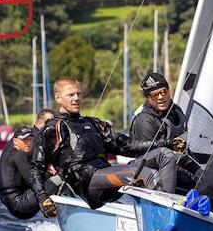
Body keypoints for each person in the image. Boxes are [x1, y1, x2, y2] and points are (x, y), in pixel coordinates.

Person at [30, 77, 181, 210]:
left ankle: (169, 211)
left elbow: (128, 146)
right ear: (58, 98)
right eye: (71, 95)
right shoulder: (53, 128)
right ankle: (166, 217)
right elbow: (36, 167)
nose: (76, 98)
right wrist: (42, 197)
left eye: (78, 94)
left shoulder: (93, 123)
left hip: (107, 178)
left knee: (165, 155)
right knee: (145, 175)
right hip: (87, 184)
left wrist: (167, 143)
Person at [131, 72, 199, 190]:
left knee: (207, 179)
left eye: (163, 92)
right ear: (147, 98)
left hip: (180, 162)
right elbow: (152, 162)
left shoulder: (175, 110)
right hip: (155, 176)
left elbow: (183, 151)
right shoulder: (144, 120)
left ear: (169, 91)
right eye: (154, 95)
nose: (161, 97)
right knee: (197, 182)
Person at [0, 111, 56, 220]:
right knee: (61, 177)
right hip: (19, 203)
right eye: (51, 124)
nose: (53, 127)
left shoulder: (30, 140)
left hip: (15, 199)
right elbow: (33, 181)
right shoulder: (19, 152)